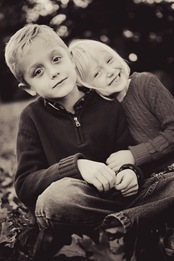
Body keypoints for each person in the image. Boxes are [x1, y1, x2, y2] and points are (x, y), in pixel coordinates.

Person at [4, 24, 144, 260]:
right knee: (56, 198)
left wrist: (131, 172)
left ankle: (121, 223)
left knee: (165, 183)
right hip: (74, 202)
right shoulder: (32, 117)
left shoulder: (108, 105)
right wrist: (76, 167)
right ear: (28, 88)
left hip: (116, 198)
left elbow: (127, 153)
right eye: (38, 72)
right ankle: (133, 220)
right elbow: (25, 185)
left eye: (56, 59)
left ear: (70, 57)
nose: (53, 72)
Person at [69, 39, 174, 175]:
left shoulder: (145, 84)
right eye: (97, 74)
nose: (110, 71)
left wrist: (135, 155)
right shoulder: (101, 113)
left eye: (109, 60)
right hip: (148, 183)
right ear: (87, 86)